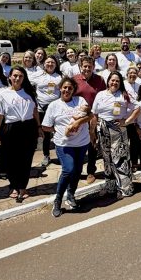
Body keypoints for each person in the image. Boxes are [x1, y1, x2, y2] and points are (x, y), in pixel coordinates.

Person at [41, 76, 91, 217]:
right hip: (64, 143)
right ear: (60, 88)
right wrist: (57, 130)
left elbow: (90, 115)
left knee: (77, 171)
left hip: (82, 142)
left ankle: (71, 195)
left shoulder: (80, 101)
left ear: (74, 90)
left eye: (70, 88)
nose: (67, 90)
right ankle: (57, 200)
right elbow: (45, 126)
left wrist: (77, 123)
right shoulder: (54, 105)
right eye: (65, 87)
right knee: (68, 169)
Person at [0, 66, 41, 203]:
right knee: (11, 159)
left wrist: (38, 127)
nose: (17, 78)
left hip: (28, 127)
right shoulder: (2, 94)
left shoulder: (29, 93)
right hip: (10, 128)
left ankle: (23, 187)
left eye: (20, 76)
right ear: (10, 77)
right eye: (15, 76)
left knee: (26, 158)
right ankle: (14, 185)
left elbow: (35, 111)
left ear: (24, 78)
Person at [91, 71, 136, 198]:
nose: (114, 83)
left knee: (120, 159)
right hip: (103, 130)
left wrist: (126, 121)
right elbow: (94, 114)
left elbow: (137, 108)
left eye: (117, 81)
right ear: (108, 81)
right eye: (112, 80)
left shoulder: (124, 95)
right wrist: (92, 132)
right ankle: (110, 186)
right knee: (107, 159)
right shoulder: (100, 94)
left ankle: (125, 188)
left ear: (120, 83)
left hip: (118, 130)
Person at [73, 57, 105, 183]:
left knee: (93, 145)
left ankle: (91, 171)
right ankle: (76, 171)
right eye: (85, 66)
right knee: (78, 145)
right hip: (79, 117)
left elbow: (103, 97)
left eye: (89, 66)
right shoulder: (75, 80)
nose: (87, 68)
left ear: (93, 66)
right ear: (81, 66)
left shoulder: (100, 80)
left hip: (94, 117)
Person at [33, 56, 63, 167]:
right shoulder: (38, 75)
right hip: (41, 108)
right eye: (48, 62)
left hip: (56, 109)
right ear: (44, 64)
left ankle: (61, 154)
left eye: (52, 62)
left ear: (56, 64)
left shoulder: (60, 76)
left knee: (58, 132)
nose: (50, 64)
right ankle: (46, 155)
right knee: (45, 134)